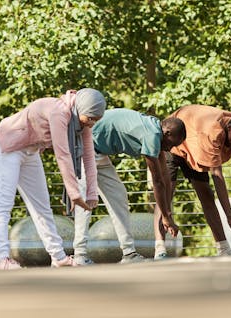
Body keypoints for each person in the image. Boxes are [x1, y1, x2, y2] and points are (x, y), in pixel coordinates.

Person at [0, 88, 106, 270]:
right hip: (7, 147)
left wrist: (91, 194)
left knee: (42, 206)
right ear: (82, 109)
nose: (92, 124)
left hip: (30, 150)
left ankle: (58, 257)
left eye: (96, 120)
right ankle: (2, 259)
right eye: (90, 118)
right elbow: (63, 155)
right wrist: (74, 193)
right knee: (3, 204)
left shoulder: (81, 121)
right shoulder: (59, 113)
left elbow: (89, 157)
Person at [73, 108, 186, 265]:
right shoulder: (152, 136)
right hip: (84, 147)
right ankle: (79, 255)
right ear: (167, 133)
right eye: (172, 144)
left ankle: (129, 253)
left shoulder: (156, 130)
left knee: (118, 196)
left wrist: (167, 213)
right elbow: (158, 181)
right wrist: (166, 218)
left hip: (98, 153)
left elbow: (165, 176)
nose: (171, 149)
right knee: (85, 200)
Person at [154, 105, 231, 259]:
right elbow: (217, 175)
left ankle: (224, 249)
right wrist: (230, 218)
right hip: (174, 144)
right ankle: (160, 249)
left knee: (206, 194)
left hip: (196, 149)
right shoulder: (212, 132)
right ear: (230, 127)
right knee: (165, 194)